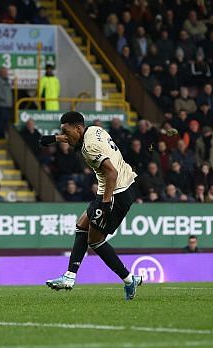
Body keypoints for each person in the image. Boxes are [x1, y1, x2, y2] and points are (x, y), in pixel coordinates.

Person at [39, 111, 142, 300]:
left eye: (66, 131)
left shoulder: (89, 147)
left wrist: (104, 204)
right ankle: (69, 277)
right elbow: (75, 138)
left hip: (115, 194)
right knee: (81, 226)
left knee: (95, 241)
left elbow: (111, 173)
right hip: (119, 187)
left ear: (78, 128)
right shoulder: (94, 129)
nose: (65, 135)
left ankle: (129, 280)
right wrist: (55, 138)